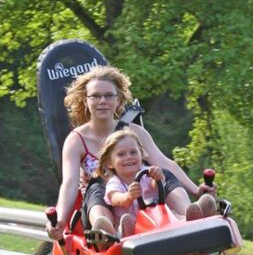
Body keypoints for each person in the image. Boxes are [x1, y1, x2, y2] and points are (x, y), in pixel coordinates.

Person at [46, 65, 215, 241]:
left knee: (162, 174)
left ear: (118, 100)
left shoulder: (134, 132)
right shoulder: (76, 140)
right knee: (97, 186)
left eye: (108, 95)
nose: (102, 101)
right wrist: (60, 218)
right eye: (95, 96)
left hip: (142, 195)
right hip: (103, 202)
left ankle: (189, 215)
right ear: (85, 100)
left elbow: (165, 163)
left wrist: (197, 190)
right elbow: (70, 184)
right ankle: (106, 231)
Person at [96, 128, 216, 237]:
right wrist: (128, 197)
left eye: (133, 152)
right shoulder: (114, 183)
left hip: (158, 220)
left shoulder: (146, 173)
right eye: (121, 154)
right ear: (109, 163)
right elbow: (116, 198)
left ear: (141, 155)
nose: (128, 157)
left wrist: (157, 178)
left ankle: (194, 218)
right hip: (136, 227)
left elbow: (156, 187)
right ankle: (129, 234)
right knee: (127, 222)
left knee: (174, 215)